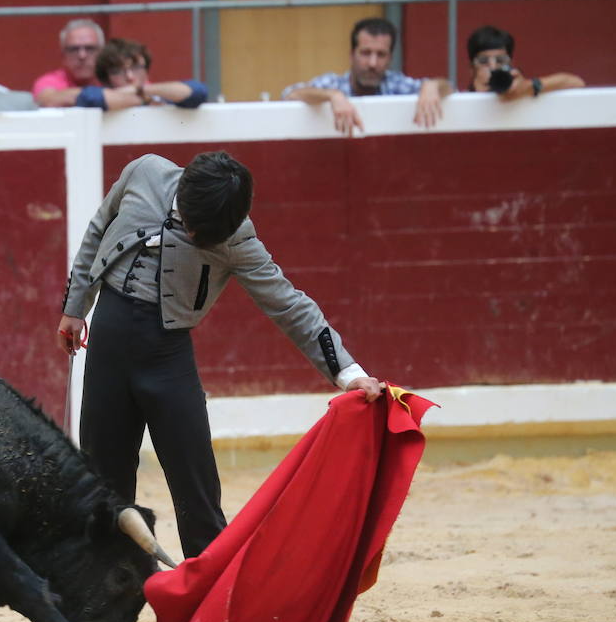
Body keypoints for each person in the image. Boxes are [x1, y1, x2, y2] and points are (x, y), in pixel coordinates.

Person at [56, 151, 381, 558]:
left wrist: (348, 373)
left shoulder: (235, 237)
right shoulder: (144, 171)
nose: (196, 238)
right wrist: (75, 306)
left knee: (197, 488)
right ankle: (106, 597)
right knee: (103, 482)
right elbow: (99, 227)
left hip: (167, 357)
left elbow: (288, 304)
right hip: (108, 342)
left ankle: (208, 595)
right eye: (197, 228)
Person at [282, 17, 449, 135]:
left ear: (390, 58)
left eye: (381, 55)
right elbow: (290, 94)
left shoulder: (395, 84)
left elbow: (449, 87)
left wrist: (432, 86)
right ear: (351, 55)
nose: (372, 63)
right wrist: (332, 96)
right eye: (365, 53)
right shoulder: (334, 84)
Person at [76, 38, 207, 112]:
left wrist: (140, 90)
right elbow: (88, 98)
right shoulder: (100, 97)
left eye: (136, 68)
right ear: (106, 78)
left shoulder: (161, 95)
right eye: (117, 71)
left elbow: (198, 92)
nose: (130, 77)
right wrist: (144, 99)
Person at [466, 25, 584, 100]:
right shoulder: (459, 100)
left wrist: (528, 87)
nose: (492, 66)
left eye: (500, 60)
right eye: (483, 61)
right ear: (472, 69)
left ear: (510, 65)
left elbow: (576, 82)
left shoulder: (523, 93)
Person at [33, 18, 106, 107]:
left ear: (102, 53)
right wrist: (113, 96)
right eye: (73, 49)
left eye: (90, 48)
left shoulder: (113, 78)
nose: (82, 56)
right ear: (63, 55)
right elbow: (48, 100)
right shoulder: (49, 81)